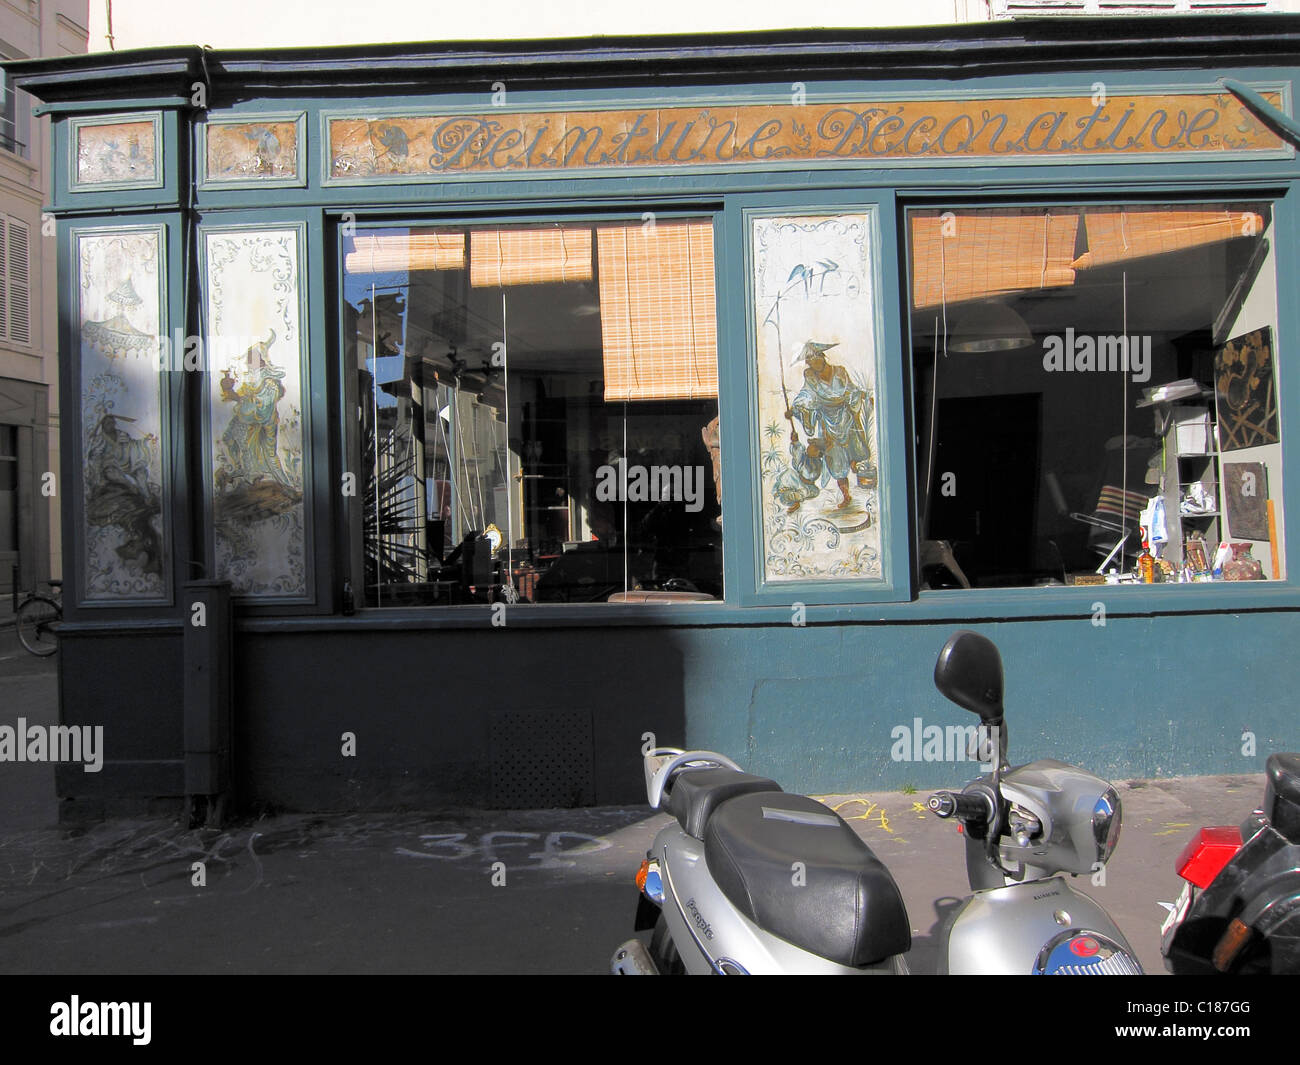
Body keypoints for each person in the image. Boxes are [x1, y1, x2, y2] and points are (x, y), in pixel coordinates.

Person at [782, 340, 876, 512]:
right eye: (808, 361)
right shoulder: (810, 376)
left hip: (845, 418)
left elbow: (851, 390)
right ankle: (846, 494)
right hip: (828, 424)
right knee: (836, 462)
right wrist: (795, 410)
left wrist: (862, 396)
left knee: (855, 450)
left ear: (821, 357)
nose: (811, 364)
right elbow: (806, 395)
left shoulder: (839, 371)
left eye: (813, 360)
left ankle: (855, 464)